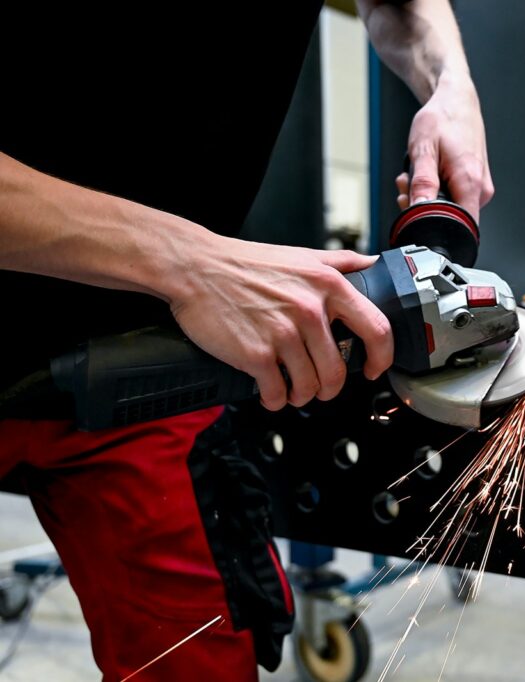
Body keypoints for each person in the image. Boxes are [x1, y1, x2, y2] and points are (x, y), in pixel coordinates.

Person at [0, 1, 493, 678]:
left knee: (201, 653)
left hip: (155, 362)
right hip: (168, 290)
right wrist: (186, 261)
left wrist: (451, 89)